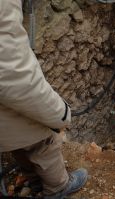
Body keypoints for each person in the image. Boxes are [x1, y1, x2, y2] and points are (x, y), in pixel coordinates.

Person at [0, 1, 88, 198]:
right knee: (43, 140)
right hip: (12, 99)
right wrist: (60, 113)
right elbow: (16, 78)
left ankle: (35, 181)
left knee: (17, 141)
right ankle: (58, 188)